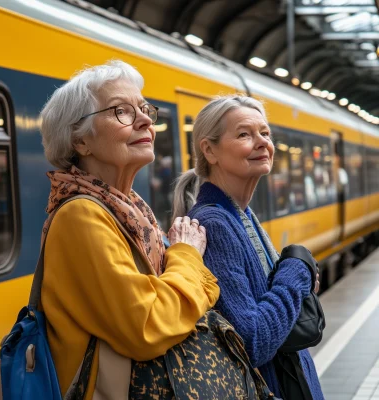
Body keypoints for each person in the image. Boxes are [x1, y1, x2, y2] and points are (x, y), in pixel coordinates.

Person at [39, 60, 220, 398]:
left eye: (144, 108)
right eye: (121, 111)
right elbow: (149, 326)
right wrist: (188, 256)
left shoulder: (129, 208)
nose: (146, 120)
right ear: (81, 141)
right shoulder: (82, 215)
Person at [172, 94, 325, 399]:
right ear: (210, 150)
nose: (261, 142)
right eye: (244, 134)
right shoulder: (215, 224)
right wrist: (296, 271)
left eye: (265, 134)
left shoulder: (240, 214)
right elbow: (253, 340)